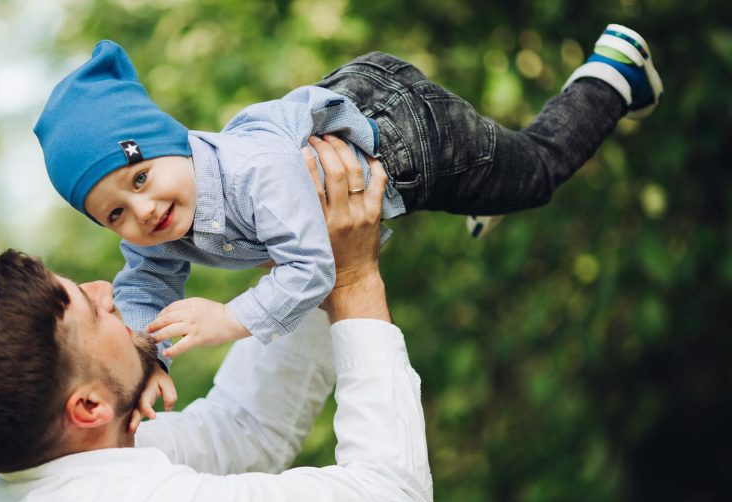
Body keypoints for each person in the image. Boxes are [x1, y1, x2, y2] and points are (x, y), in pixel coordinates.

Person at [0, 138, 434, 502]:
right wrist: (355, 278)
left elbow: (243, 430)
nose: (107, 290)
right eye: (91, 310)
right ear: (88, 409)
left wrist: (302, 269)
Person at [33, 25, 664, 403]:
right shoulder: (157, 228)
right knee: (484, 184)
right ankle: (477, 194)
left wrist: (228, 317)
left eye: (142, 178)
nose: (143, 211)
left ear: (171, 140)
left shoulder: (255, 171)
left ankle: (612, 72)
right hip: (363, 122)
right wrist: (146, 360)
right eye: (115, 213)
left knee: (532, 172)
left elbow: (312, 270)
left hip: (413, 141)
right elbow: (142, 287)